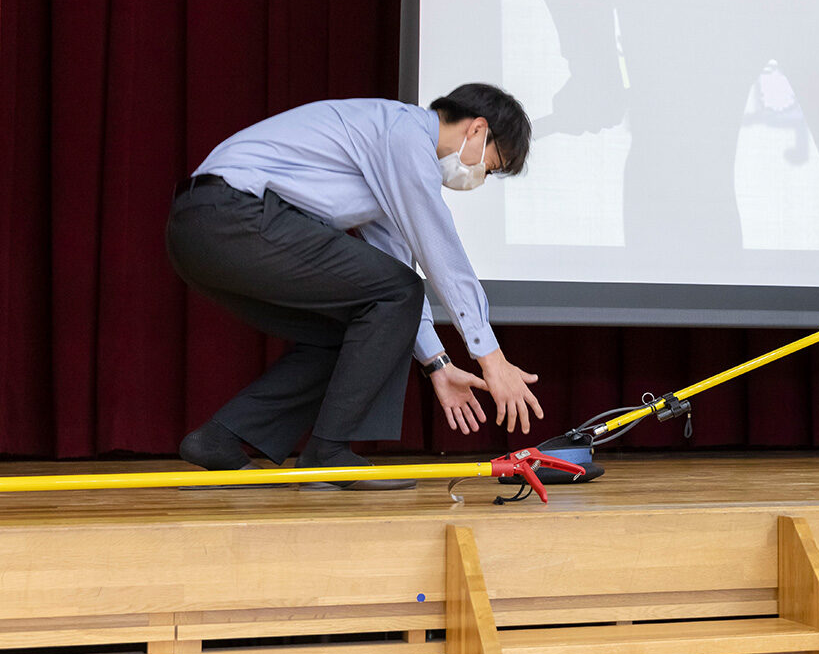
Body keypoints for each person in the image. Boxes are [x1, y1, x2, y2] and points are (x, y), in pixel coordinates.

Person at [166, 84, 544, 489]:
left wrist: (437, 363)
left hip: (201, 229)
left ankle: (219, 440)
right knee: (395, 291)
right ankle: (326, 456)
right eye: (491, 164)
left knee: (352, 325)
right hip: (232, 215)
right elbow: (440, 250)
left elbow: (397, 266)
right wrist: (491, 358)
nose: (482, 176)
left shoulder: (385, 160)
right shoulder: (405, 135)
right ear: (477, 130)